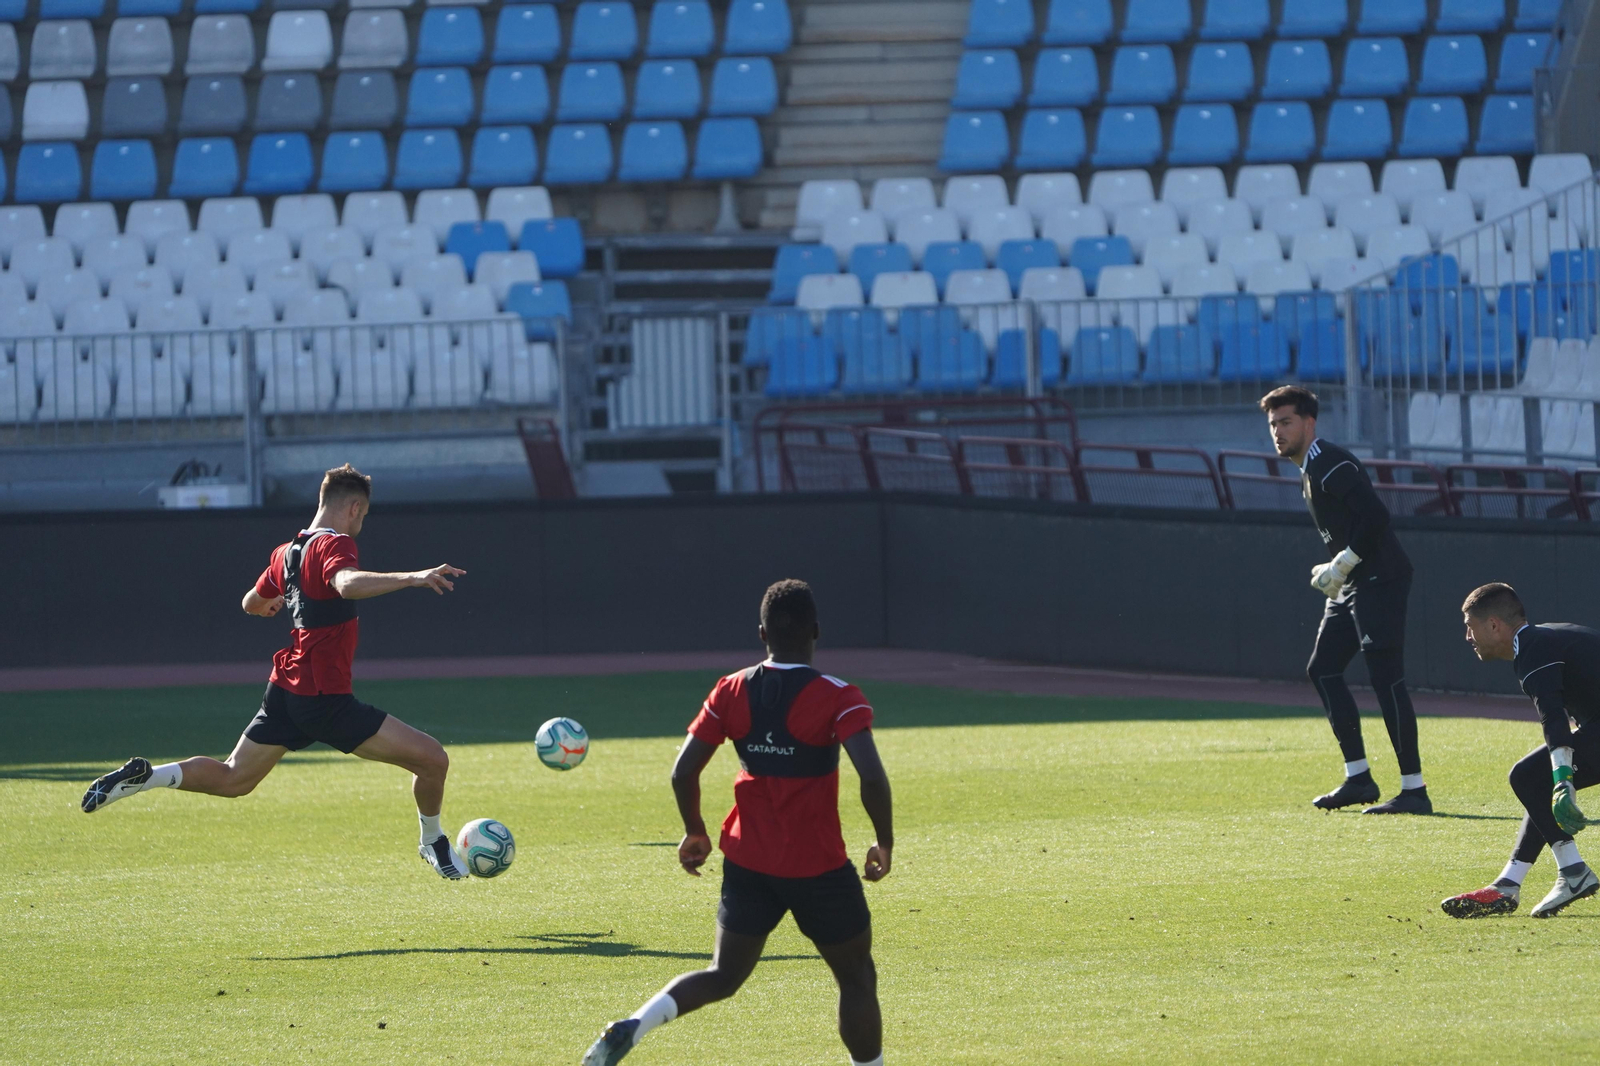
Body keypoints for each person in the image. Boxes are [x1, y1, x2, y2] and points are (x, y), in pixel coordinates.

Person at [80, 464, 474, 880]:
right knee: (432, 760)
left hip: (286, 689)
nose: (361, 524)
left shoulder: (287, 552)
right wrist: (413, 577)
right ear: (354, 508)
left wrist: (275, 602)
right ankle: (432, 841)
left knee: (234, 777)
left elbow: (251, 601)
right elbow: (345, 582)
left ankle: (147, 777)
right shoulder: (335, 544)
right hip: (324, 698)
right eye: (363, 516)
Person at [583, 579, 894, 1066]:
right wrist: (883, 841)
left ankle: (635, 1024)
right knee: (855, 976)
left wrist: (695, 830)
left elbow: (683, 770)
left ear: (761, 633)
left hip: (749, 863)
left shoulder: (731, 688)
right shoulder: (839, 696)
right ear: (816, 631)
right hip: (818, 867)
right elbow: (871, 776)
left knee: (723, 975)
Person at [1260, 385, 1431, 814]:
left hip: (1381, 578)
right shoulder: (1308, 470)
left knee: (1385, 678)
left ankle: (1414, 790)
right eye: (1273, 424)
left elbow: (1375, 516)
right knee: (1324, 669)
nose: (1278, 432)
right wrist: (1335, 569)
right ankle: (1359, 777)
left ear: (1309, 423)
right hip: (1355, 581)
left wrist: (1343, 563)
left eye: (1286, 422)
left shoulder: (1327, 461)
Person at [1443, 583, 1600, 919]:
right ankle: (1509, 883)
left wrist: (1563, 778)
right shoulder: (1542, 639)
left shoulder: (1532, 647)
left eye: (1470, 627)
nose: (1468, 637)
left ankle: (1573, 873)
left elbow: (1553, 718)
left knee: (1527, 776)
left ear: (1494, 625)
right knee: (1535, 781)